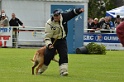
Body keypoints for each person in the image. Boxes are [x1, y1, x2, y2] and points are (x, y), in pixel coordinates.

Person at [38, 8, 84, 76]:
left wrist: (78, 10)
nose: (56, 17)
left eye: (57, 16)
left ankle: (63, 71)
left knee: (64, 54)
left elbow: (72, 13)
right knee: (48, 56)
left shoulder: (64, 17)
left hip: (62, 40)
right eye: (55, 16)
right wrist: (49, 45)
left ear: (60, 15)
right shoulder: (49, 24)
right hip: (53, 40)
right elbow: (47, 37)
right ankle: (40, 70)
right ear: (53, 16)